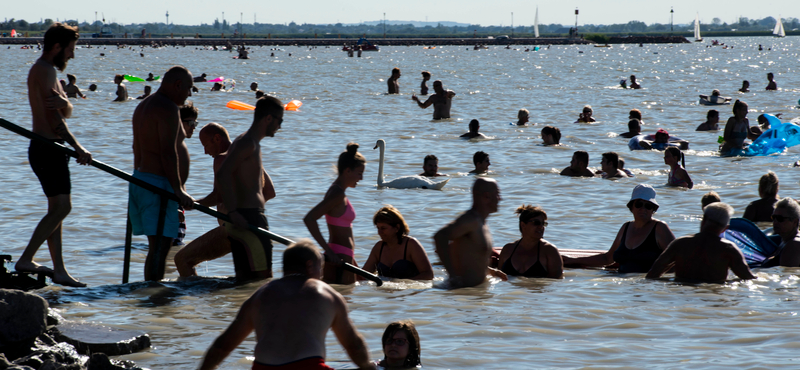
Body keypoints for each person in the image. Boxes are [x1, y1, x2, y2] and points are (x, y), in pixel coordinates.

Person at [198, 240, 375, 370]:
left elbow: (223, 344)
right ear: (309, 266)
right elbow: (353, 344)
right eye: (320, 270)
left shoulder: (260, 295)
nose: (320, 276)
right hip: (310, 366)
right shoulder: (327, 293)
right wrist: (368, 367)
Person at [15, 23, 91, 287]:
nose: (72, 55)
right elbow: (55, 119)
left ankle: (59, 270)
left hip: (48, 148)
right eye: (70, 49)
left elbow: (65, 109)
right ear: (57, 46)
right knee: (63, 207)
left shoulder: (46, 71)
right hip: (48, 147)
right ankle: (26, 258)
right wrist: (78, 147)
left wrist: (66, 103)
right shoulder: (45, 71)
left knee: (56, 211)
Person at [130, 65, 195, 281]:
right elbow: (168, 152)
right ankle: (155, 297)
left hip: (141, 179)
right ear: (177, 85)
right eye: (188, 89)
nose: (189, 95)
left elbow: (136, 148)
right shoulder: (167, 108)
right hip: (157, 185)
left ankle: (153, 294)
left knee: (157, 246)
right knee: (160, 248)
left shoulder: (143, 105)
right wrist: (178, 190)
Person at [215, 96, 283, 281]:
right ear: (268, 118)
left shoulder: (249, 141)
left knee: (245, 282)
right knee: (263, 280)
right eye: (280, 120)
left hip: (245, 218)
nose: (280, 126)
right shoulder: (248, 143)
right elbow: (223, 174)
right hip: (249, 219)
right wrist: (234, 212)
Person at [563, 184, 675, 273]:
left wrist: (653, 277)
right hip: (622, 285)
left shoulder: (660, 228)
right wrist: (572, 260)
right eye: (639, 204)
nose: (643, 209)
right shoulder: (626, 227)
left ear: (653, 209)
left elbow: (678, 260)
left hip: (647, 285)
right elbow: (607, 258)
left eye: (648, 206)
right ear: (631, 206)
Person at [304, 143, 366, 284]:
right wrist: (329, 252)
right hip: (339, 258)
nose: (361, 178)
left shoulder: (338, 192)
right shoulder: (337, 194)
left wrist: (353, 262)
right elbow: (309, 219)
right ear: (348, 171)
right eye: (359, 173)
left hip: (344, 256)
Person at [646, 202, 755, 283]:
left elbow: (652, 275)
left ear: (703, 220)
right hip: (713, 297)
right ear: (725, 228)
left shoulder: (680, 244)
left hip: (683, 296)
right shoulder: (729, 249)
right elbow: (749, 279)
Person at [433, 178, 507, 288]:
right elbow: (440, 237)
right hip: (461, 295)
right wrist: (452, 275)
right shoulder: (471, 220)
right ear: (486, 197)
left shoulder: (482, 223)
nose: (500, 199)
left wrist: (491, 271)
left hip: (473, 296)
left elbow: (471, 256)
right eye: (497, 194)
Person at [361, 206, 434, 280]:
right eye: (378, 228)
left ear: (397, 228)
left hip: (408, 290)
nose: (379, 232)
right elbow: (363, 275)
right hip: (384, 291)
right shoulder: (379, 247)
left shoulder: (411, 244)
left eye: (383, 228)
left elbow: (428, 275)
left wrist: (404, 283)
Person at [498, 205, 563, 279]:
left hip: (536, 290)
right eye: (536, 223)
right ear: (523, 225)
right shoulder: (508, 249)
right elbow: (498, 279)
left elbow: (556, 283)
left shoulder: (550, 251)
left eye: (543, 223)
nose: (541, 227)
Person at [764, 198, 800, 267]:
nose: (775, 222)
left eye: (780, 219)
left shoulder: (793, 245)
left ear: (795, 222)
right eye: (773, 217)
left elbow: (786, 275)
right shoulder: (785, 240)